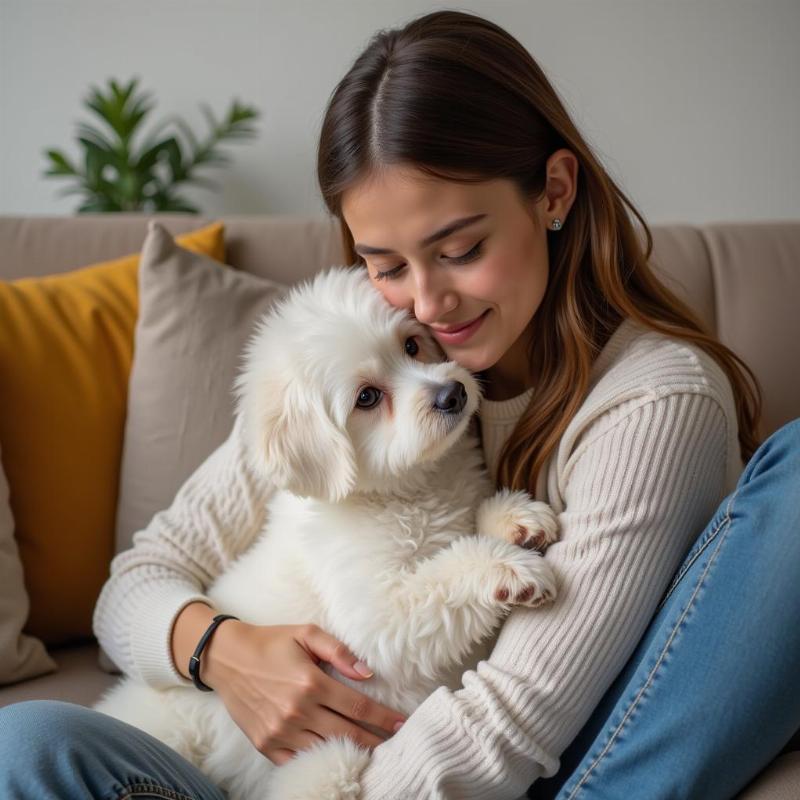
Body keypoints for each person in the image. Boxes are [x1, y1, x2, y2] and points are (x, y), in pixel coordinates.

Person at [1, 9, 798, 800]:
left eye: (460, 251)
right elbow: (134, 587)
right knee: (26, 744)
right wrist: (222, 651)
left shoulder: (655, 403)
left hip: (431, 781)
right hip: (264, 768)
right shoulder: (353, 356)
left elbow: (511, 721)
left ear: (553, 192)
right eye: (385, 264)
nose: (426, 304)